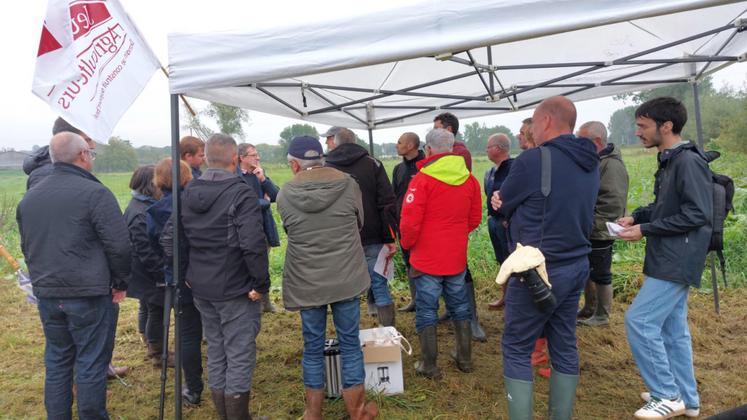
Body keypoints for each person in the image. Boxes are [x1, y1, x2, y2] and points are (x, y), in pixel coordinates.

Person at [492, 96, 599, 419]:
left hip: (537, 268)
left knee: (516, 345)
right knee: (563, 341)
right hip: (577, 262)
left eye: (534, 124)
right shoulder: (591, 160)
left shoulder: (534, 160)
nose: (530, 132)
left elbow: (504, 203)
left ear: (548, 121)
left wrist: (501, 200)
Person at [16, 132, 130, 419]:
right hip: (88, 294)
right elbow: (119, 245)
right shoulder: (95, 193)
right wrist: (120, 282)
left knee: (58, 359)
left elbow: (27, 246)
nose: (90, 157)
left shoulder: (30, 198)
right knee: (91, 361)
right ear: (82, 155)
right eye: (90, 153)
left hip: (48, 292)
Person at [619, 97, 711, 419]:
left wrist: (646, 229)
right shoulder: (671, 160)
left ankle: (666, 395)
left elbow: (698, 213)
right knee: (673, 330)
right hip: (670, 254)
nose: (638, 132)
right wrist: (637, 217)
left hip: (677, 258)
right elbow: (668, 207)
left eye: (643, 126)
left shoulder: (688, 162)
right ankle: (688, 398)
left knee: (640, 321)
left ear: (666, 126)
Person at [278, 135, 379, 420]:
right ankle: (357, 411)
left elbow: (289, 229)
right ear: (321, 158)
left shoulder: (284, 193)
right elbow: (359, 223)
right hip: (346, 276)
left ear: (295, 165)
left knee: (312, 347)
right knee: (349, 343)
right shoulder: (349, 185)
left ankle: (313, 413)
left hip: (306, 281)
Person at [180, 134, 270, 419]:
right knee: (239, 354)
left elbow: (174, 237)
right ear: (235, 159)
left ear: (206, 158)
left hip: (202, 286)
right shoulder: (240, 192)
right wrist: (260, 283)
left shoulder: (189, 190)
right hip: (235, 288)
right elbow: (252, 243)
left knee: (217, 351)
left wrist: (186, 273)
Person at [400, 128, 482, 379]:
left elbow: (410, 223)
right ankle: (464, 358)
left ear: (429, 149)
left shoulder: (422, 180)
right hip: (455, 257)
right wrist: (455, 236)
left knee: (427, 309)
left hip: (426, 258)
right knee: (460, 306)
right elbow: (475, 218)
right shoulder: (469, 180)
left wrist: (409, 244)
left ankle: (429, 364)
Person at [325, 128, 398, 327]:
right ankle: (388, 334)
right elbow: (387, 203)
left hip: (340, 238)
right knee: (379, 285)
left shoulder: (326, 167)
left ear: (336, 143)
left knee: (347, 290)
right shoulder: (373, 164)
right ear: (356, 142)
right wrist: (390, 238)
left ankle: (350, 338)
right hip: (373, 236)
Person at [147, 158, 204, 406]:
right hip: (206, 273)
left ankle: (193, 387)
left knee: (188, 333)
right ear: (186, 175)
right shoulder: (198, 202)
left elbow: (154, 245)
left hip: (178, 278)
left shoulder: (155, 211)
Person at [432, 112, 486, 341]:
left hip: (454, 221)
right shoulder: (440, 151)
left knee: (461, 269)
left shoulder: (460, 152)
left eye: (437, 127)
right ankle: (451, 309)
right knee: (443, 267)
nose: (433, 131)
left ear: (449, 130)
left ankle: (472, 319)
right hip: (438, 221)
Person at [576, 121, 629, 327]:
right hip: (590, 227)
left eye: (582, 140)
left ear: (596, 141)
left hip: (600, 229)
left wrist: (592, 223)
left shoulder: (611, 165)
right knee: (588, 271)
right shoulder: (597, 161)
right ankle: (590, 308)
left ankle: (602, 315)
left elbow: (612, 202)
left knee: (601, 272)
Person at [123, 165, 174, 367]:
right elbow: (146, 251)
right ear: (149, 184)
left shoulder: (139, 205)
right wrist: (161, 273)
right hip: (147, 272)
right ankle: (157, 352)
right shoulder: (141, 212)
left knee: (147, 305)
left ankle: (148, 339)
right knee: (157, 308)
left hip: (140, 271)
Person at [238, 143, 281, 313]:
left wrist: (263, 179)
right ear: (242, 158)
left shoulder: (258, 174)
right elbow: (244, 203)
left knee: (263, 265)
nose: (258, 158)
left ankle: (265, 303)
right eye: (253, 155)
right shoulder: (236, 177)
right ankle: (251, 304)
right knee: (248, 267)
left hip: (263, 228)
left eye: (257, 154)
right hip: (245, 230)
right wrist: (264, 202)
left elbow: (277, 195)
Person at [391, 132, 425, 312]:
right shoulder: (398, 169)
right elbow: (393, 196)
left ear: (411, 145)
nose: (396, 145)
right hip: (402, 225)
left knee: (424, 265)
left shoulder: (425, 166)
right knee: (409, 262)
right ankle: (415, 300)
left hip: (422, 227)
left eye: (399, 142)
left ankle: (430, 303)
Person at [23, 117, 97, 191]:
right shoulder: (47, 176)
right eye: (87, 140)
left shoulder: (66, 170)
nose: (93, 146)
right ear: (66, 139)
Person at [484, 133, 514, 311]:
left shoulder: (513, 168)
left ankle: (513, 299)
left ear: (498, 148)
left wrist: (508, 218)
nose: (486, 151)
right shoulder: (491, 172)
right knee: (501, 260)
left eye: (488, 147)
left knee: (511, 261)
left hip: (505, 223)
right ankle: (505, 296)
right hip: (493, 221)